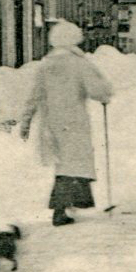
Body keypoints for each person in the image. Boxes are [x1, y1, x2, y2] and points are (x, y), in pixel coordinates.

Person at [18, 19, 113, 225]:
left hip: (51, 123)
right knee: (74, 166)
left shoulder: (46, 64)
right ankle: (61, 210)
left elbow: (34, 95)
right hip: (74, 121)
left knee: (64, 165)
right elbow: (97, 89)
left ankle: (67, 207)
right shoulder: (78, 62)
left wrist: (25, 121)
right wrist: (106, 95)